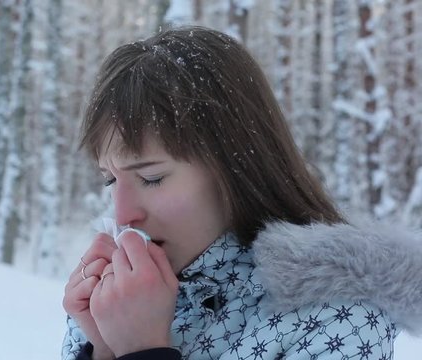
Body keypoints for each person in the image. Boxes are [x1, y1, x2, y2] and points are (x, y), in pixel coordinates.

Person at [61, 26, 422, 360]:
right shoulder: (117, 303)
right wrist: (103, 349)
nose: (123, 215)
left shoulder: (338, 317)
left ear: (234, 166)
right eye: (110, 179)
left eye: (152, 178)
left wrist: (141, 351)